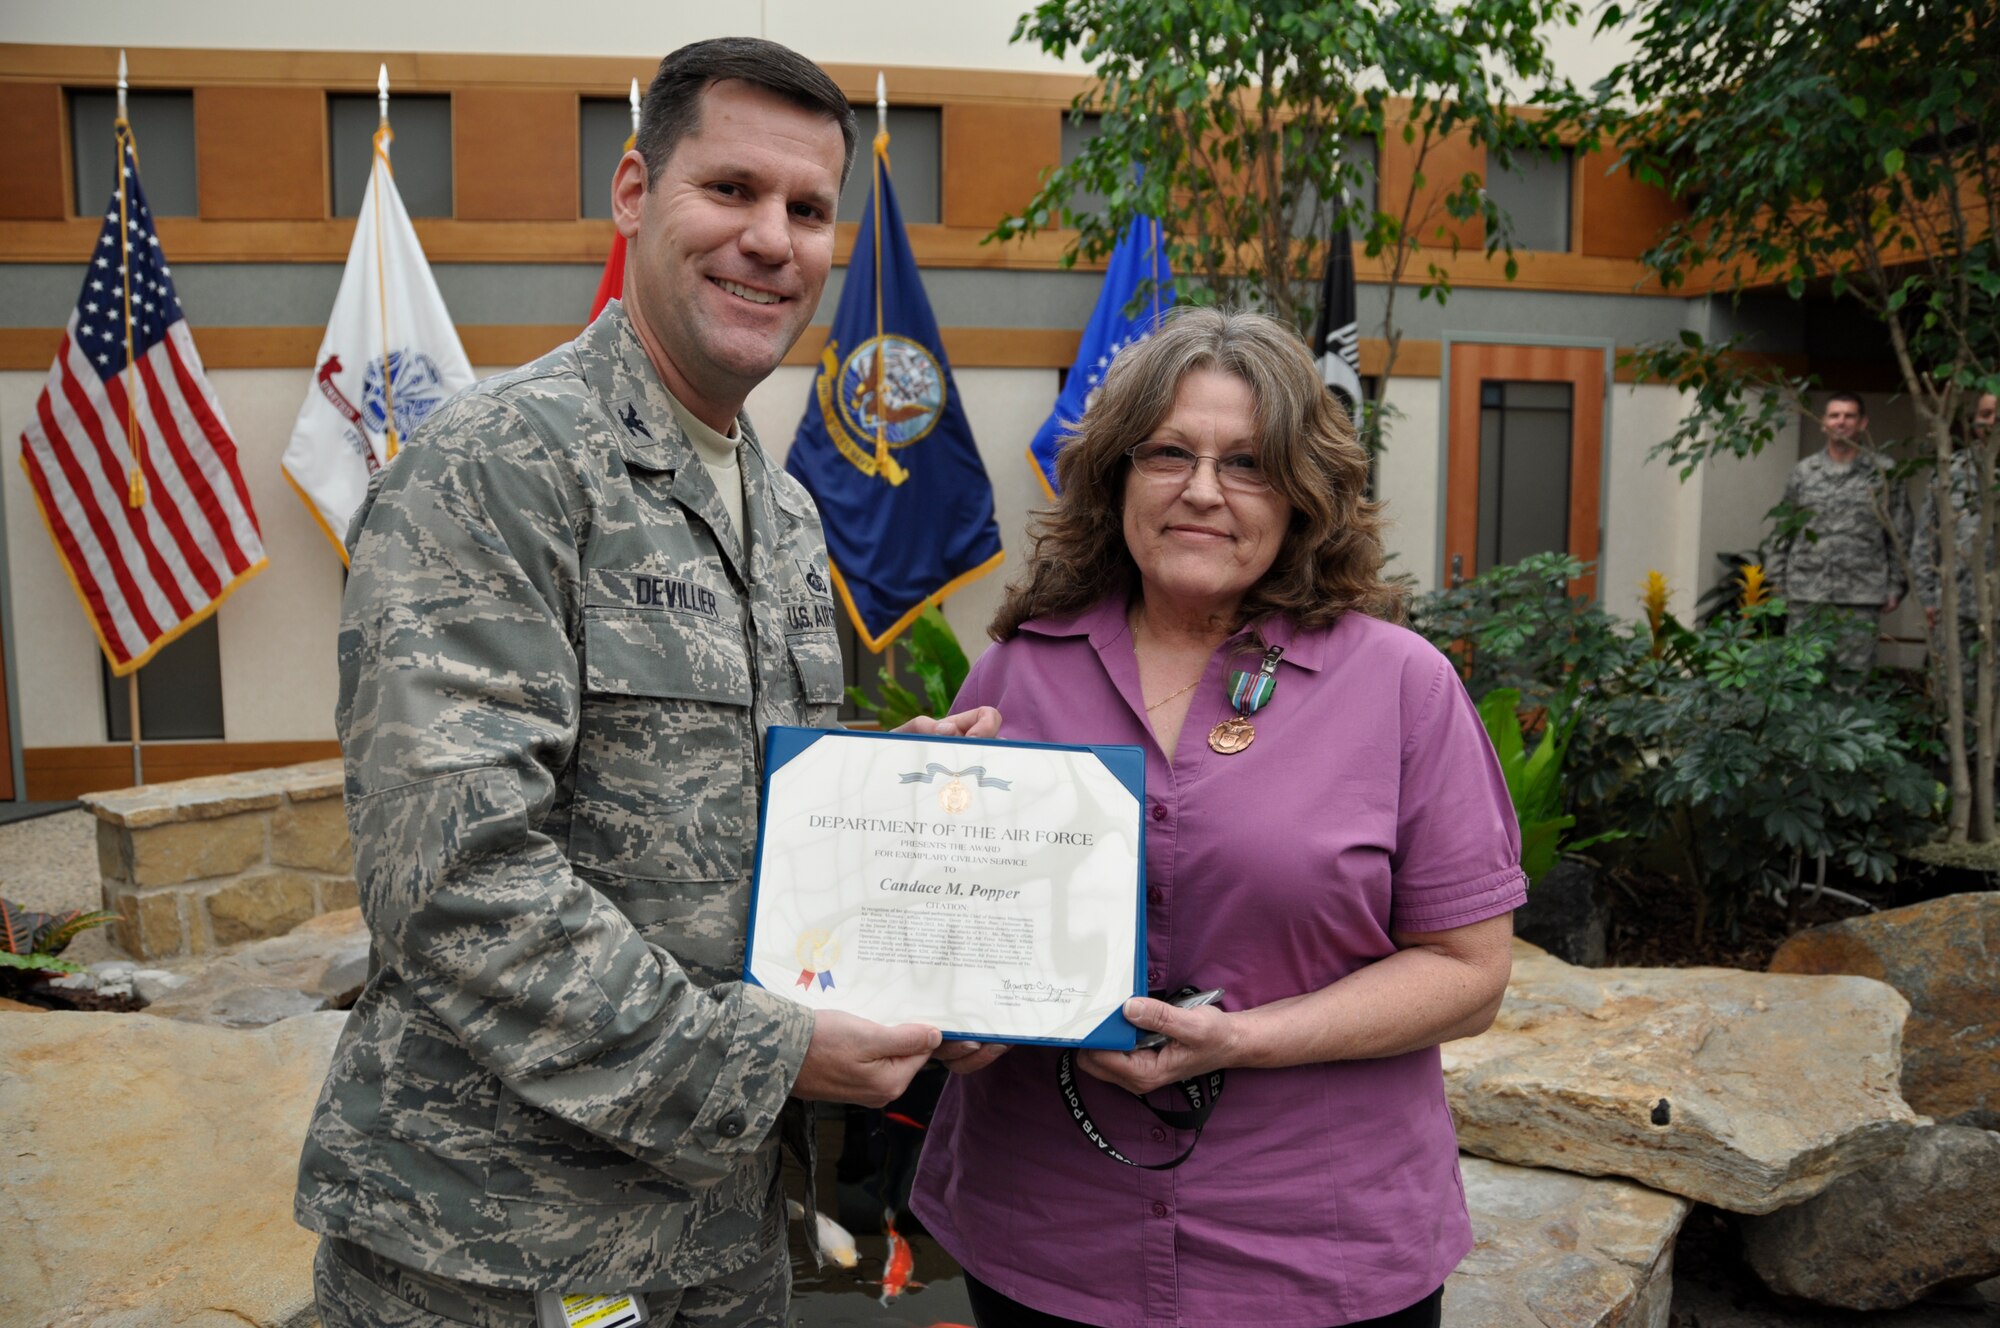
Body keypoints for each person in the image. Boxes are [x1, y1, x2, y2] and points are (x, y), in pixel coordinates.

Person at [296, 38, 997, 1328]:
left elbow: (733, 814)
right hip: (491, 1243)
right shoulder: (500, 469)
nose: (771, 239)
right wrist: (778, 1053)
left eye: (806, 208)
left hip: (719, 1228)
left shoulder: (782, 512)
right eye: (728, 189)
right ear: (633, 192)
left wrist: (901, 810)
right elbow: (454, 879)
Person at [910, 308, 1524, 1328]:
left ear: (1299, 493)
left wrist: (1246, 1038)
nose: (1200, 490)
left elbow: (1469, 973)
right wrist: (955, 1008)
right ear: (1115, 476)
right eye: (1166, 453)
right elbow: (960, 951)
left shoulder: (1400, 685)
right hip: (1048, 1234)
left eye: (1244, 461)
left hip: (1318, 1245)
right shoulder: (1015, 672)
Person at [1767, 391, 1912, 673]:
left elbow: (1900, 532)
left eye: (1849, 416)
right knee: (1802, 677)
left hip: (1860, 596)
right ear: (1824, 423)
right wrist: (1776, 581)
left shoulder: (1883, 473)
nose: (1841, 422)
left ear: (1862, 423)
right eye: (1834, 415)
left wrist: (1896, 585)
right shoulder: (1804, 472)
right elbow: (1783, 530)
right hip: (1806, 593)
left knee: (1852, 680)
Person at [1916, 391, 2000, 674]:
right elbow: (1926, 539)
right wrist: (1928, 597)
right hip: (1955, 604)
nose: (1994, 420)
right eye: (1986, 414)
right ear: (1974, 421)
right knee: (1954, 692)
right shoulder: (1949, 471)